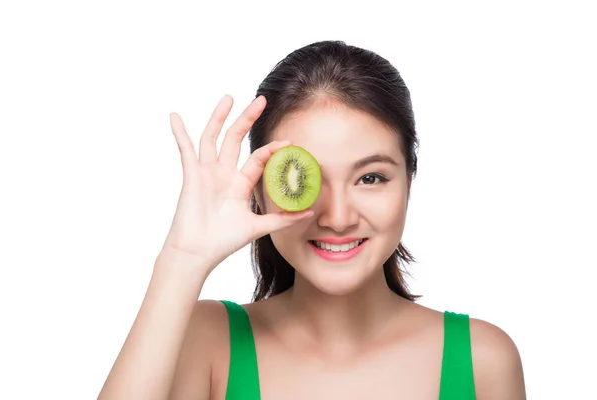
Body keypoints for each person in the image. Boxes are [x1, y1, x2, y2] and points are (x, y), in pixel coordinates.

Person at [98, 40, 526, 400]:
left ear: (409, 182)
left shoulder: (483, 360)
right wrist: (181, 258)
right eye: (310, 179)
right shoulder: (209, 342)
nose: (337, 218)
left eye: (370, 177)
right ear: (261, 189)